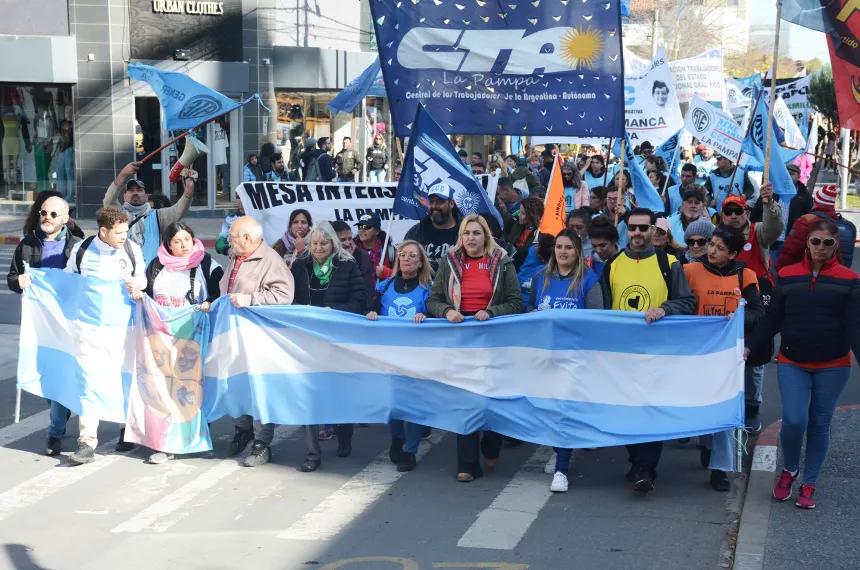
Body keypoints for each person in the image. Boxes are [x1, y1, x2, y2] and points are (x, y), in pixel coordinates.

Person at [752, 218, 860, 509]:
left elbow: (855, 327)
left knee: (819, 424)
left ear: (836, 244)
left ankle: (809, 482)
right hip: (792, 361)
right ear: (807, 244)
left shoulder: (850, 280)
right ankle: (789, 470)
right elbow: (773, 318)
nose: (821, 248)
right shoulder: (787, 275)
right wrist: (750, 346)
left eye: (828, 242)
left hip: (834, 365)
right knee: (795, 420)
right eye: (816, 241)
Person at [601, 207, 696, 493]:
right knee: (628, 411)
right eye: (633, 228)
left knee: (650, 411)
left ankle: (645, 468)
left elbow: (688, 303)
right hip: (623, 354)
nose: (638, 233)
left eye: (644, 228)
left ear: (654, 230)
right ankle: (637, 461)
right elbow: (603, 309)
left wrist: (665, 309)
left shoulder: (670, 263)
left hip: (657, 354)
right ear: (626, 230)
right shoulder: (613, 263)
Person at [428, 214, 523, 482]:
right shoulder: (449, 261)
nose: (471, 237)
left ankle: (491, 443)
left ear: (486, 237)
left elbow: (516, 302)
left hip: (491, 338)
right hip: (459, 338)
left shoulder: (502, 263)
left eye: (476, 233)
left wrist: (491, 311)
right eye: (466, 233)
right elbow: (434, 299)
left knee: (489, 397)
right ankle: (467, 464)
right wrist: (446, 311)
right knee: (465, 399)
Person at [65, 206, 147, 465]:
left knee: (124, 380)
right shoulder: (82, 250)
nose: (124, 236)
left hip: (124, 330)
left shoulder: (132, 250)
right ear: (103, 230)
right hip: (89, 331)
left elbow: (142, 277)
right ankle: (87, 442)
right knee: (89, 382)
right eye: (119, 232)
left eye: (126, 231)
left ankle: (126, 430)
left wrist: (138, 286)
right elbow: (69, 282)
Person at [684, 226, 764, 491]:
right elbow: (681, 303)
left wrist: (739, 318)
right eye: (712, 244)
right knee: (701, 405)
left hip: (728, 355)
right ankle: (706, 444)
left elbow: (757, 312)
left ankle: (720, 468)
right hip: (697, 353)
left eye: (719, 248)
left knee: (725, 410)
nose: (712, 250)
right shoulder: (690, 270)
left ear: (732, 253)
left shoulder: (746, 275)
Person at [526, 229, 604, 493]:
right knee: (549, 409)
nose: (563, 252)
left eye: (569, 247)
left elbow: (597, 321)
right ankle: (560, 449)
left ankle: (562, 469)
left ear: (578, 251)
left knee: (565, 410)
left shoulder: (589, 280)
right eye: (559, 247)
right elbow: (530, 314)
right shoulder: (541, 277)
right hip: (546, 356)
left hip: (574, 358)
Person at [142, 222, 224, 464]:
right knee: (162, 389)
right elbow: (145, 292)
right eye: (177, 241)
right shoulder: (156, 265)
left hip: (193, 338)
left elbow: (220, 291)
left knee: (189, 390)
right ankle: (164, 443)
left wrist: (209, 302)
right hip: (161, 337)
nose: (183, 245)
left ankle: (193, 438)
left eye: (187, 239)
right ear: (167, 244)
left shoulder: (206, 263)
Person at [7, 195, 81, 457]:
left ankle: (54, 432)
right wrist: (20, 282)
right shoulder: (28, 244)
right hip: (40, 321)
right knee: (43, 372)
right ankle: (60, 408)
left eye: (52, 214)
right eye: (43, 213)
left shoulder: (77, 246)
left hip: (67, 322)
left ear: (65, 218)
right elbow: (13, 278)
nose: (46, 218)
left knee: (59, 375)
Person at [292, 222, 368, 472]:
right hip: (309, 342)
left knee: (339, 392)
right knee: (309, 396)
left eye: (324, 243)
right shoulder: (300, 266)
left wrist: (332, 313)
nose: (319, 248)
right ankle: (312, 453)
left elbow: (359, 301)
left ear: (333, 243)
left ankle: (345, 436)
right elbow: (293, 301)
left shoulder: (347, 266)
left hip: (338, 342)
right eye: (314, 243)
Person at [221, 216, 296, 467]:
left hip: (258, 337)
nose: (228, 241)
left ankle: (262, 443)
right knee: (236, 385)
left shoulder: (270, 260)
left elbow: (284, 294)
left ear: (248, 239)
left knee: (258, 389)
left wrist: (250, 298)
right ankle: (243, 430)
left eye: (232, 237)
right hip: (234, 333)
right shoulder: (236, 256)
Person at [366, 240, 433, 472]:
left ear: (421, 260)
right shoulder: (383, 287)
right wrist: (372, 312)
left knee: (413, 403)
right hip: (391, 355)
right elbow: (369, 309)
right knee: (393, 400)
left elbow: (437, 317)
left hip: (417, 356)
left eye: (412, 255)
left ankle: (410, 449)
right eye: (403, 255)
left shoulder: (428, 290)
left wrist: (426, 316)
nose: (406, 259)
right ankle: (397, 437)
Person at [720, 185, 783, 431]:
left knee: (754, 356)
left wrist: (769, 204)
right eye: (729, 211)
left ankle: (752, 407)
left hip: (758, 297)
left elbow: (775, 229)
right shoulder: (719, 236)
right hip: (727, 297)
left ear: (746, 212)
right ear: (723, 215)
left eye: (738, 210)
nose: (734, 215)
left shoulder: (759, 231)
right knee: (727, 356)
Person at [103, 162, 194, 264]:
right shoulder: (119, 214)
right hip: (124, 273)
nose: (135, 193)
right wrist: (123, 174)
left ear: (146, 196)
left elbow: (178, 210)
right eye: (131, 190)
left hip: (151, 274)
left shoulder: (158, 216)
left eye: (139, 190)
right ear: (124, 196)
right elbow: (108, 201)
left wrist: (188, 192)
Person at [777, 184, 856, 270]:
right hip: (838, 276)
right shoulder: (846, 225)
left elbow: (789, 252)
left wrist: (781, 272)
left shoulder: (805, 221)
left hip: (808, 275)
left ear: (816, 201)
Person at [403, 183, 460, 270]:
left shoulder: (465, 232)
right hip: (423, 282)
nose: (434, 206)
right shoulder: (416, 232)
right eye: (431, 202)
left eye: (439, 202)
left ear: (451, 204)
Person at [331, 220, 375, 309]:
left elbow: (365, 291)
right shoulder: (325, 256)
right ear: (332, 240)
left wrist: (349, 260)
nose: (348, 243)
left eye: (350, 238)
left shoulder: (362, 256)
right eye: (342, 240)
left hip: (354, 312)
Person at [353, 212, 395, 279]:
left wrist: (386, 273)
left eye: (367, 227)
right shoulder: (351, 250)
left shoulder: (390, 251)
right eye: (360, 226)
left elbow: (400, 277)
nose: (362, 230)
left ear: (377, 231)